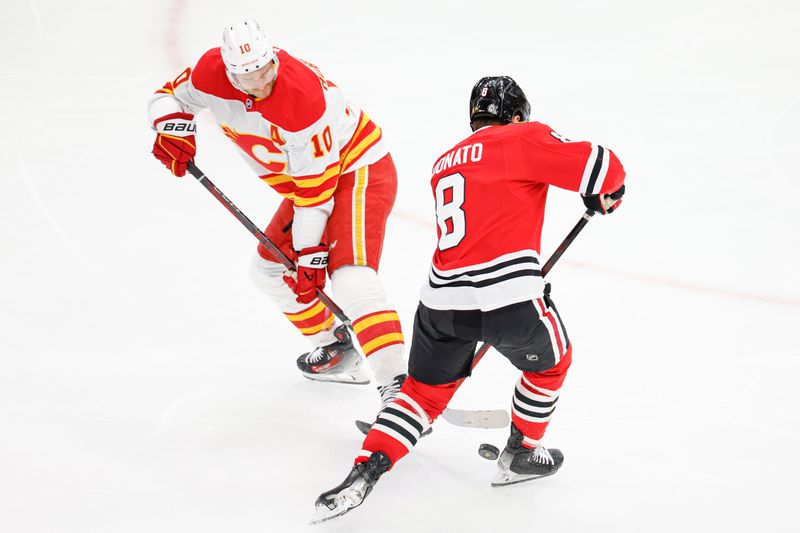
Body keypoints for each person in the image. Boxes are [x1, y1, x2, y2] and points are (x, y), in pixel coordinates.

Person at [312, 75, 627, 522]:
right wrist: (605, 194)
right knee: (552, 363)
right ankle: (521, 453)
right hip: (511, 296)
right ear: (516, 115)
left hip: (442, 303)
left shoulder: (445, 160)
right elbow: (605, 168)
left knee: (421, 395)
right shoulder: (524, 136)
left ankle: (365, 470)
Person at [147, 19, 407, 402]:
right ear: (230, 70)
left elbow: (315, 198)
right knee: (270, 272)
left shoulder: (303, 101)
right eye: (248, 77)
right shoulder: (210, 73)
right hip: (307, 187)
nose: (260, 82)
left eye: (266, 70)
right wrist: (170, 125)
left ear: (273, 56)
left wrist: (310, 256)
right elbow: (170, 95)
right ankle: (335, 349)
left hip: (357, 170)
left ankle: (400, 388)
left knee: (350, 278)